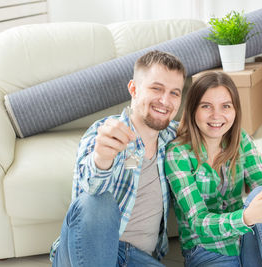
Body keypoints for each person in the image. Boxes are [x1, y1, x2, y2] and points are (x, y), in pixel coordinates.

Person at [50, 50, 186, 267]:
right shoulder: (103, 133)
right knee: (99, 202)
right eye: (156, 88)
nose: (165, 100)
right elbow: (89, 198)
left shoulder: (173, 137)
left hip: (137, 259)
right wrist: (102, 159)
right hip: (90, 250)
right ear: (133, 89)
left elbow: (211, 130)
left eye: (174, 93)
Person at [164, 71, 262, 267]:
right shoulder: (178, 153)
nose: (216, 115)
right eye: (206, 106)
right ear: (193, 109)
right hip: (206, 251)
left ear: (235, 110)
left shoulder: (240, 140)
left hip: (245, 240)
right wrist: (245, 218)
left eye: (225, 106)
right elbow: (198, 222)